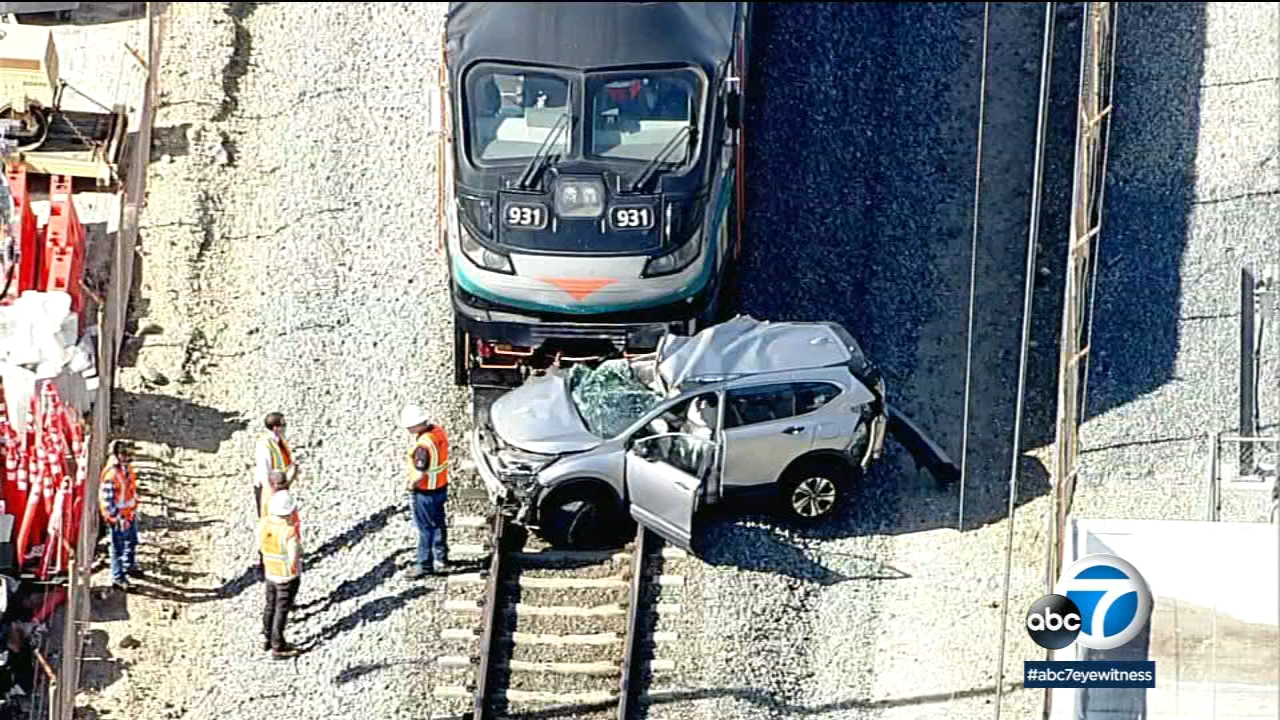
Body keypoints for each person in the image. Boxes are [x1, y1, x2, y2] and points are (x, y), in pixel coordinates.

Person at [400, 404, 450, 578]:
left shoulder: (423, 446)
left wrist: (410, 486)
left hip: (425, 491)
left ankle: (424, 564)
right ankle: (441, 559)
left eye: (409, 426)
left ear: (417, 424)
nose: (407, 429)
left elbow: (420, 475)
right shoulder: (438, 432)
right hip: (441, 486)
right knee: (438, 524)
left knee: (425, 529)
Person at [258, 489, 302, 658]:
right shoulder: (289, 532)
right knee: (281, 609)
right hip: (286, 576)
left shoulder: (263, 524)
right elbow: (294, 557)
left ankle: (266, 636)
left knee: (270, 604)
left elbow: (260, 546)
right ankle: (278, 645)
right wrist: (294, 569)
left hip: (270, 572)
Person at [98, 440, 140, 592]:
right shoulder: (111, 475)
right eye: (127, 455)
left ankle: (129, 565)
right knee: (118, 548)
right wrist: (117, 518)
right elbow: (107, 502)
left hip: (129, 513)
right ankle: (118, 578)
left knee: (132, 541)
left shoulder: (126, 468)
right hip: (118, 518)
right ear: (118, 455)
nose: (130, 458)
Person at [254, 412, 296, 519]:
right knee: (268, 516)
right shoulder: (264, 445)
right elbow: (263, 469)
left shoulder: (279, 440)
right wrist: (270, 490)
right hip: (269, 486)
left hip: (279, 483)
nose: (285, 427)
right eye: (283, 424)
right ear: (275, 428)